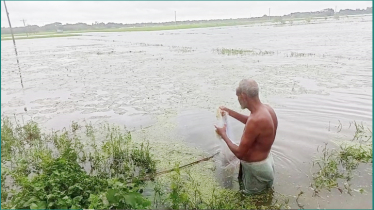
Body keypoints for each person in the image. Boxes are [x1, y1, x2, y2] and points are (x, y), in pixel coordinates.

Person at [215, 79, 278, 195]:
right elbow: (251, 122)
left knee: (253, 204)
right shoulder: (267, 110)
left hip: (256, 171)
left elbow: (240, 153)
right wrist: (230, 112)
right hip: (267, 163)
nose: (238, 100)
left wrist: (223, 134)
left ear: (243, 96)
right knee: (265, 200)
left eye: (238, 97)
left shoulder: (256, 120)